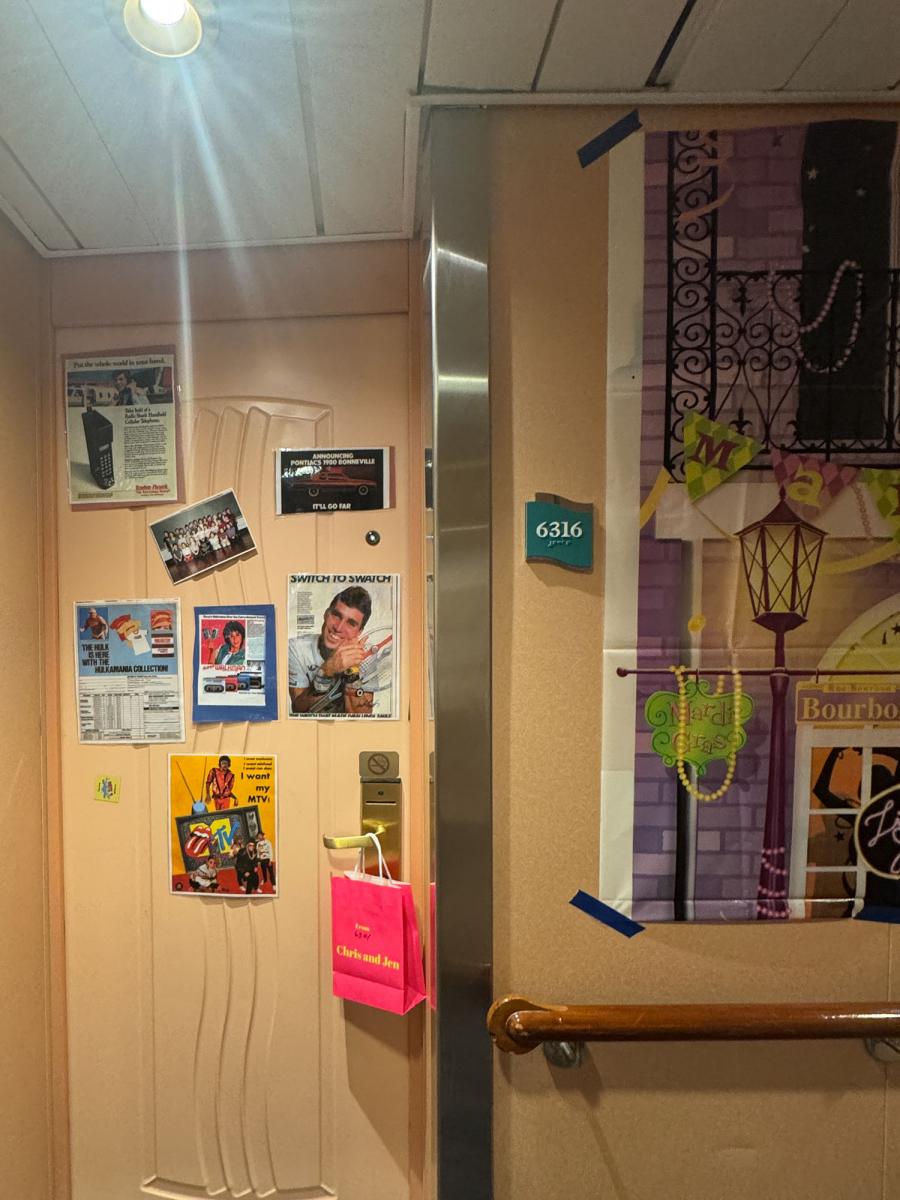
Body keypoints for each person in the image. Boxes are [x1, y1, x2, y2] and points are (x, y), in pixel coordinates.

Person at [288, 586, 374, 715]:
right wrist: (326, 671)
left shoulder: (366, 653)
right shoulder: (296, 648)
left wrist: (352, 671)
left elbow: (362, 716)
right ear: (326, 614)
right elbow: (298, 709)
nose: (338, 628)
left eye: (351, 623)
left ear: (359, 632)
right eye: (336, 615)